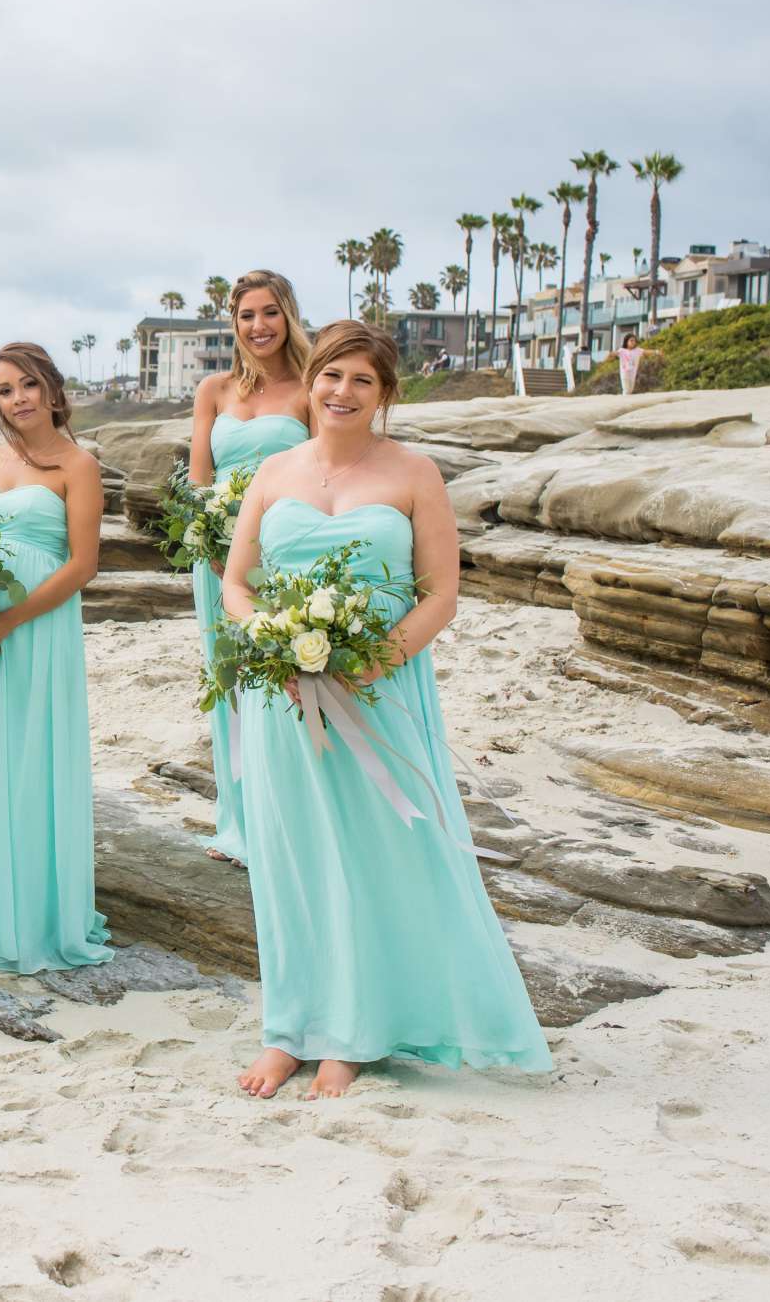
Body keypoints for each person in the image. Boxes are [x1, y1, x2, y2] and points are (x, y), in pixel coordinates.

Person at [222, 321, 550, 1099]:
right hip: (285, 694)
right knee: (292, 855)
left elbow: (442, 592)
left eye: (361, 382)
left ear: (385, 394)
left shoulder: (414, 473)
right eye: (332, 376)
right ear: (312, 381)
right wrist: (271, 637)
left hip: (381, 691)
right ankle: (290, 1027)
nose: (342, 392)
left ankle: (356, 1032)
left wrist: (376, 660)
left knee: (375, 855)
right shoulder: (272, 472)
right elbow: (238, 582)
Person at [0, 341, 112, 974]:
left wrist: (10, 620)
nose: (18, 398)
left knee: (31, 756)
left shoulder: (77, 465)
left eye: (28, 385)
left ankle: (37, 914)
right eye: (6, 389)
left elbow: (83, 564)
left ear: (53, 390)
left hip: (37, 632)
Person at [184, 270, 312, 864]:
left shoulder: (313, 387)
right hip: (217, 560)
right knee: (234, 683)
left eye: (269, 313)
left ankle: (293, 816)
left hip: (288, 555)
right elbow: (198, 482)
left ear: (287, 315)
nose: (258, 326)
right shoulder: (213, 391)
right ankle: (241, 820)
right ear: (232, 324)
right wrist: (210, 539)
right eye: (246, 316)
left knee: (288, 677)